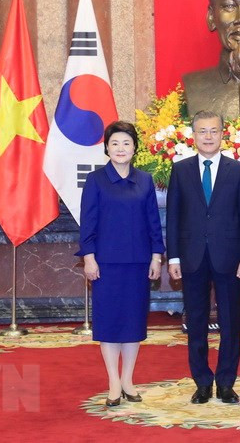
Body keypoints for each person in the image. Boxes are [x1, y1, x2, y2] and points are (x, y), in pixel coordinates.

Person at [166, 111, 240, 405]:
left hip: (229, 258)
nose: (208, 136)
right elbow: (174, 217)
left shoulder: (237, 170)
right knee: (197, 322)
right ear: (193, 135)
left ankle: (226, 382)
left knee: (231, 322)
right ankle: (202, 382)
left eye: (213, 131)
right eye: (202, 131)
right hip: (191, 258)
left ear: (222, 134)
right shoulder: (180, 170)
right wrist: (174, 257)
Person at [78, 121, 164, 407]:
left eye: (126, 143)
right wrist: (89, 258)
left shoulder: (145, 180)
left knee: (133, 323)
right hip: (107, 264)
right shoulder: (96, 180)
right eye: (115, 143)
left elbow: (154, 221)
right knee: (110, 322)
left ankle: (128, 379)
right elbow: (88, 223)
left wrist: (156, 255)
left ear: (135, 148)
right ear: (106, 148)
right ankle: (113, 381)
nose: (120, 148)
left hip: (138, 263)